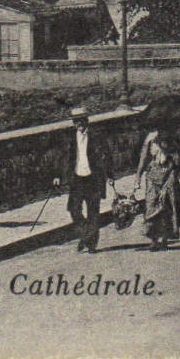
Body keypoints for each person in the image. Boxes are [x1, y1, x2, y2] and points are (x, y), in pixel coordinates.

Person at [55, 106, 112, 253]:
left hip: (93, 178)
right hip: (77, 178)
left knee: (93, 211)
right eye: (76, 121)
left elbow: (106, 155)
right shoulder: (69, 138)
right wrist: (57, 175)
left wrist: (110, 175)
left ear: (86, 120)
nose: (78, 123)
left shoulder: (97, 136)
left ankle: (91, 243)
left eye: (81, 120)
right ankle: (87, 235)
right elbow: (63, 158)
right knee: (73, 209)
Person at [135, 128, 180, 249]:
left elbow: (179, 159)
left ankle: (165, 238)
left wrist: (175, 169)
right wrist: (138, 177)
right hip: (153, 175)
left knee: (167, 205)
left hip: (168, 174)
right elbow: (143, 158)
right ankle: (154, 239)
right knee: (151, 205)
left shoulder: (173, 138)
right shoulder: (150, 139)